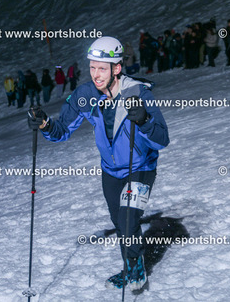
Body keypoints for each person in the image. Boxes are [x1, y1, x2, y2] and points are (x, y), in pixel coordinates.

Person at [27, 36, 169, 291]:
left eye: (102, 68)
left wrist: (144, 120)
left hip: (140, 166)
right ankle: (129, 268)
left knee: (128, 218)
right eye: (92, 67)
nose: (96, 74)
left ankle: (136, 267)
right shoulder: (85, 95)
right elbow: (61, 131)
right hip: (110, 170)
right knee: (120, 221)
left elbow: (161, 139)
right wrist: (44, 124)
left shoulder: (137, 93)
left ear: (117, 68)